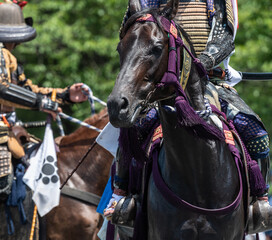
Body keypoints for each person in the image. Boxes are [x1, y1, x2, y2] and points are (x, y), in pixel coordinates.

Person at [103, 0, 271, 235]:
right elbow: (131, 35)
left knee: (254, 131)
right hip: (163, 85)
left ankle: (259, 202)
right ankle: (124, 197)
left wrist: (200, 63)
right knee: (135, 128)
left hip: (209, 80)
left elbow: (224, 38)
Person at [0, 1, 89, 239]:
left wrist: (65, 95)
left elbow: (29, 89)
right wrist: (42, 104)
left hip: (8, 129)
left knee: (47, 162)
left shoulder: (7, 57)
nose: (17, 41)